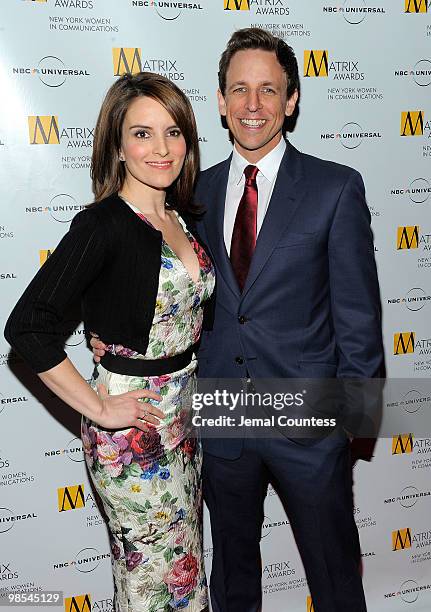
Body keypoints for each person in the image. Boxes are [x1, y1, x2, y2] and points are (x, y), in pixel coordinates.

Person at [91, 28, 383, 612]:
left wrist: (355, 423)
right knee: (232, 579)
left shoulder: (335, 188)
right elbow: (160, 277)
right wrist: (111, 331)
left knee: (334, 579)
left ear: (291, 100)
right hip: (220, 417)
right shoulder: (191, 191)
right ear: (220, 102)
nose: (253, 105)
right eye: (239, 90)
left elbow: (358, 315)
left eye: (268, 90)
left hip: (309, 421)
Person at [5, 72, 214, 612]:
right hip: (135, 433)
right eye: (142, 134)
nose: (161, 148)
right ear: (117, 146)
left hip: (184, 417)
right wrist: (99, 405)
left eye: (173, 132)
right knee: (155, 582)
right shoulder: (102, 225)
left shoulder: (178, 217)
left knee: (184, 572)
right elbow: (28, 324)